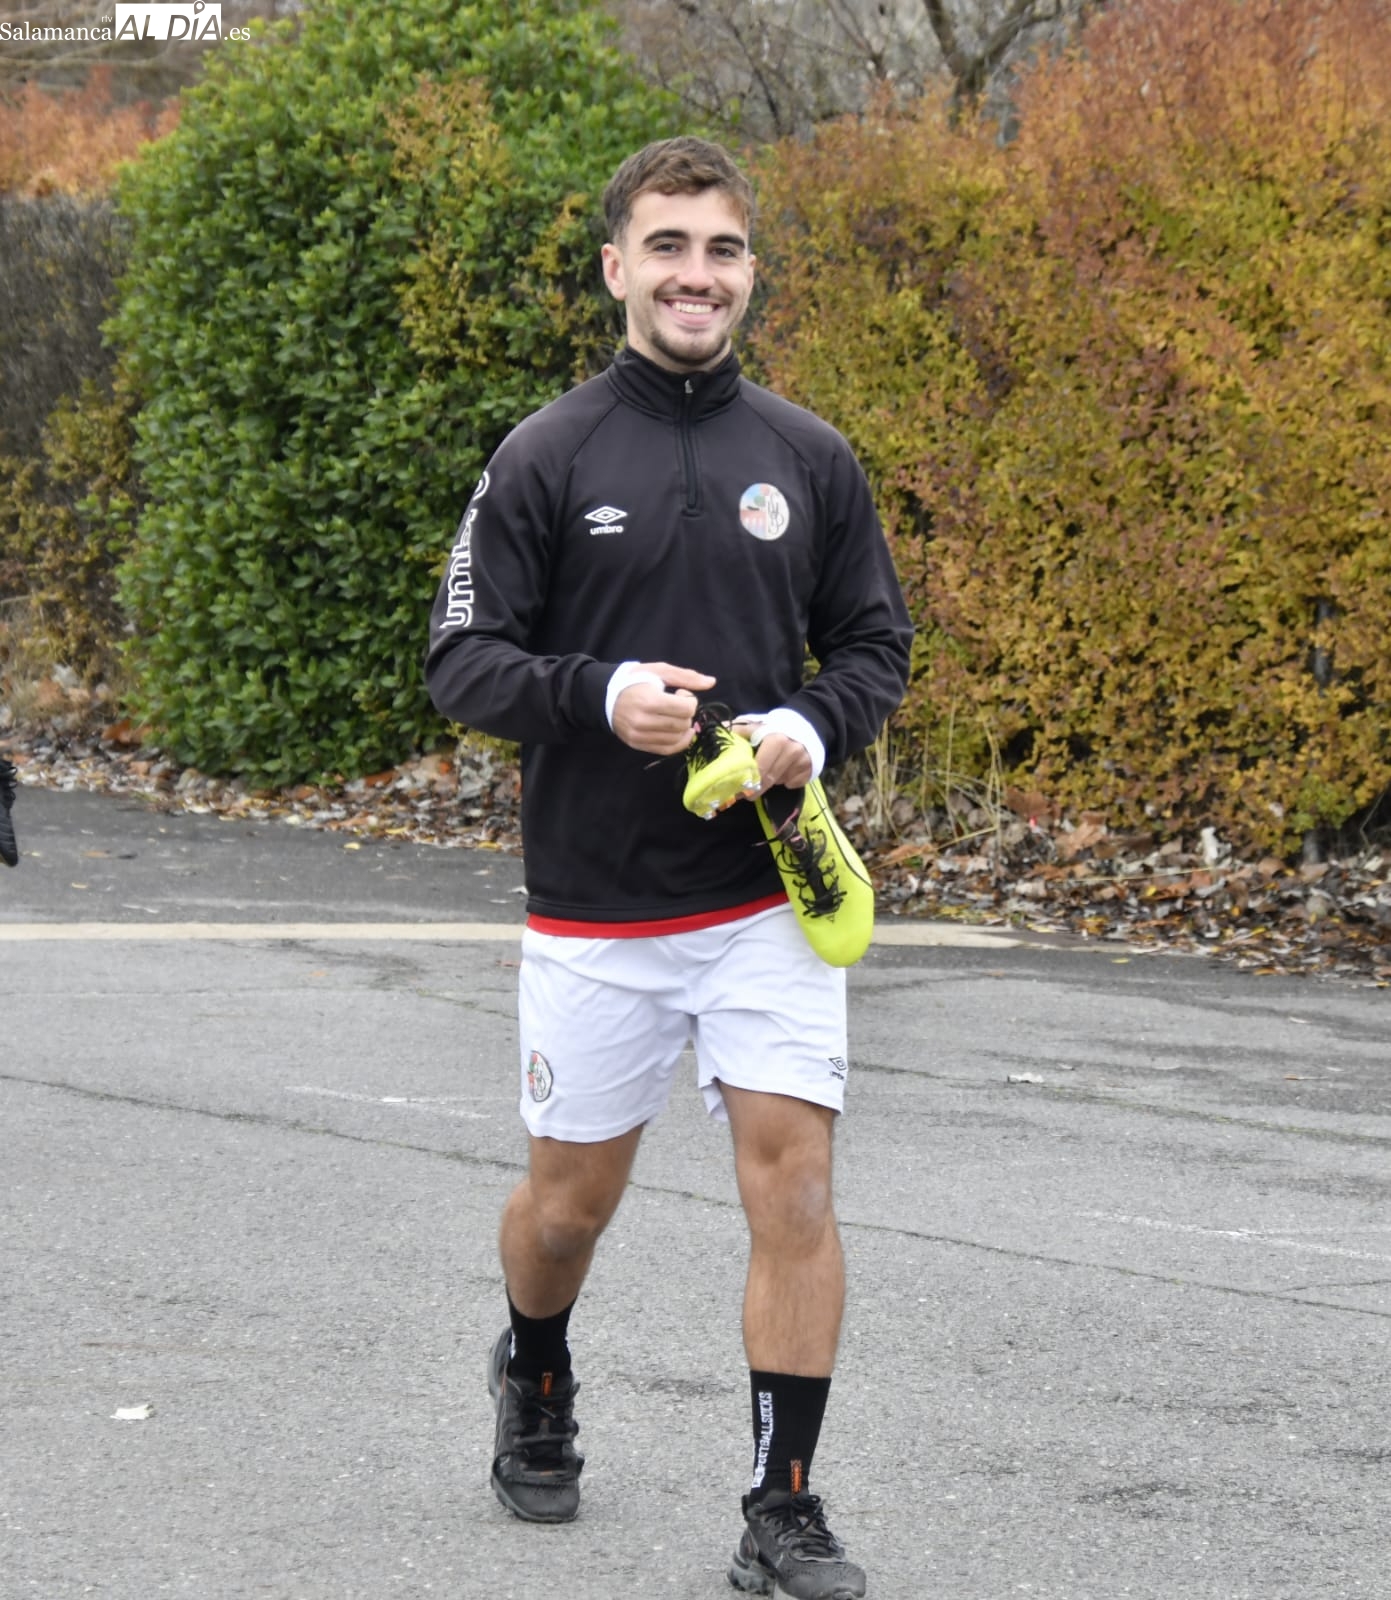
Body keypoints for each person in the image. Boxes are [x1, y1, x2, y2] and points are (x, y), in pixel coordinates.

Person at [424, 136, 912, 1599]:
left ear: (750, 270)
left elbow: (875, 647)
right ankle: (537, 1365)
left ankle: (783, 1507)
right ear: (617, 268)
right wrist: (597, 696)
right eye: (670, 247)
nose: (699, 275)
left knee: (797, 1189)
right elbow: (462, 660)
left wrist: (809, 729)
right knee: (566, 1210)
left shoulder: (810, 457)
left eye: (724, 250)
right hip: (598, 907)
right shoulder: (546, 454)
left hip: (771, 892)